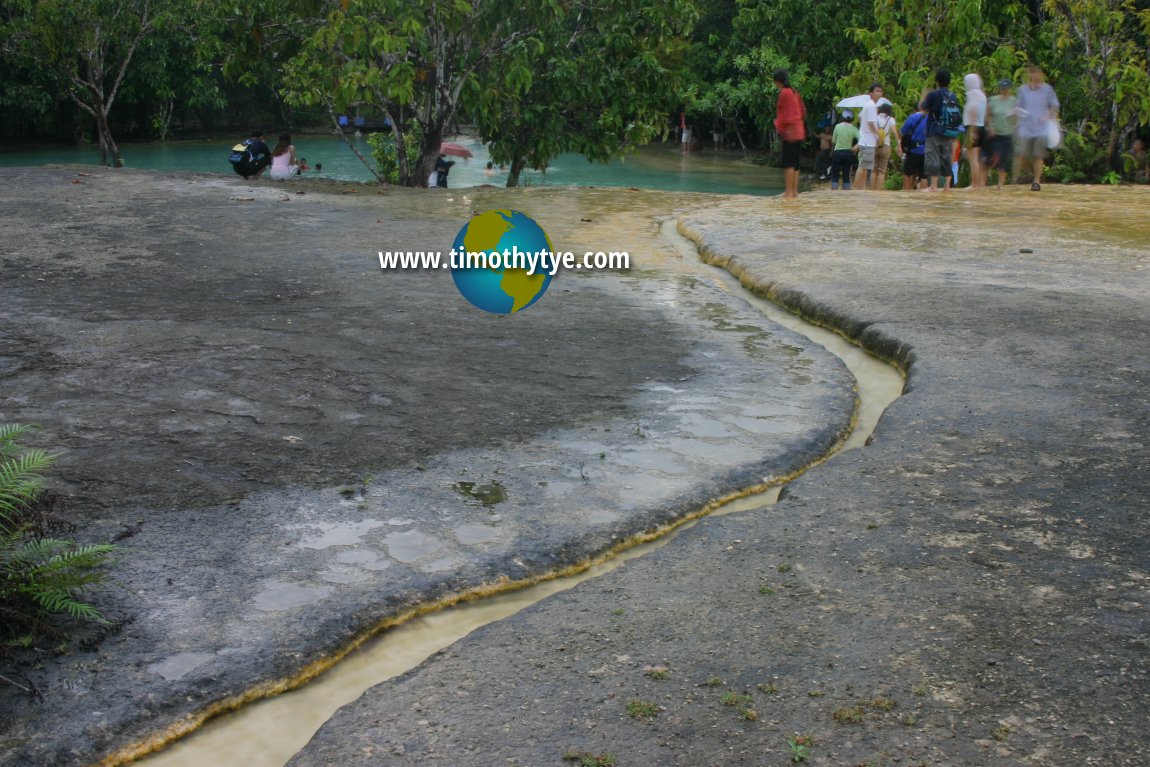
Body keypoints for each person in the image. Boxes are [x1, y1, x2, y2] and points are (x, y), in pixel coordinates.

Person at [1015, 64, 1060, 191]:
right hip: (1026, 127)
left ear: (1041, 74)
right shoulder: (1023, 90)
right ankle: (1029, 172)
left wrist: (1048, 116)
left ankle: (1036, 181)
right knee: (1022, 153)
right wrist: (1016, 111)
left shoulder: (1047, 89)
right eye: (1031, 72)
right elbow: (1019, 105)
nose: (1034, 75)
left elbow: (1054, 105)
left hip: (1041, 128)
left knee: (1038, 155)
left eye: (1036, 72)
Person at [919, 70, 960, 192]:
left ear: (937, 81)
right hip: (949, 131)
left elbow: (923, 107)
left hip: (934, 131)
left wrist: (924, 95)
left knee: (933, 157)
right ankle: (947, 185)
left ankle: (933, 186)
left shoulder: (933, 95)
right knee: (946, 156)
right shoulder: (952, 95)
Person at [772, 68, 806, 198]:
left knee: (789, 163)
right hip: (798, 130)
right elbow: (802, 110)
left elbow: (784, 115)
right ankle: (794, 191)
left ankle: (788, 191)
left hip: (790, 132)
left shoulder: (784, 93)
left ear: (777, 81)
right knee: (795, 163)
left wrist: (778, 126)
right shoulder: (794, 92)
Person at [985, 79, 1016, 190]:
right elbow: (988, 115)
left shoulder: (1013, 100)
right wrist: (990, 127)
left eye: (1006, 88)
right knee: (994, 156)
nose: (1004, 90)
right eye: (1002, 88)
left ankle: (1000, 183)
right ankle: (986, 177)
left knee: (1005, 159)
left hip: (1008, 132)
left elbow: (1016, 116)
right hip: (995, 133)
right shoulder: (993, 100)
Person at [853, 83, 883, 190]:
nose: (879, 93)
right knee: (863, 166)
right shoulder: (871, 106)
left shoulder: (868, 105)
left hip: (866, 140)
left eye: (880, 91)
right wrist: (877, 134)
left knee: (865, 167)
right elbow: (870, 123)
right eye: (877, 91)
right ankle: (857, 188)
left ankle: (860, 188)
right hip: (868, 141)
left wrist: (863, 130)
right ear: (871, 93)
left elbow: (860, 117)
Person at [963, 73, 987, 188]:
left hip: (972, 127)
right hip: (981, 126)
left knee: (972, 159)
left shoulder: (971, 95)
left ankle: (974, 184)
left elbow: (972, 110)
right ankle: (980, 183)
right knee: (979, 159)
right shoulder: (982, 95)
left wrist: (971, 130)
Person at [830, 110, 859, 191]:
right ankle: (846, 193)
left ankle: (834, 191)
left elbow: (834, 141)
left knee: (835, 173)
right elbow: (862, 139)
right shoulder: (854, 129)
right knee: (846, 174)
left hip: (838, 152)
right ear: (852, 119)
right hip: (848, 153)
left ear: (842, 118)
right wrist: (855, 147)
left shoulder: (837, 126)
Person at [900, 104, 928, 189]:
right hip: (927, 148)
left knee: (907, 173)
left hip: (915, 148)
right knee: (924, 176)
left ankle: (907, 193)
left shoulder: (913, 117)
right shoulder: (932, 118)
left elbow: (902, 132)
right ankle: (924, 196)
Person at [874, 103, 898, 191]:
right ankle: (878, 191)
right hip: (886, 146)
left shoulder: (875, 117)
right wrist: (899, 144)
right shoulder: (890, 119)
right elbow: (895, 132)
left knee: (873, 170)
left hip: (874, 145)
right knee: (881, 171)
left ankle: (871, 190)